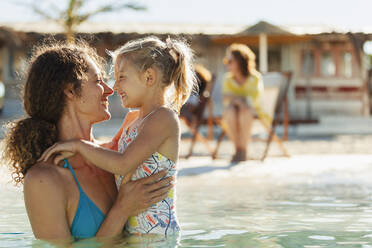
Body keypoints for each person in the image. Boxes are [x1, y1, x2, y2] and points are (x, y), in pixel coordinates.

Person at [3, 41, 172, 242]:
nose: (110, 90)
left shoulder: (119, 154)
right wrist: (122, 209)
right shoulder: (44, 179)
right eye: (99, 81)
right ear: (70, 91)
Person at [39, 36, 197, 236]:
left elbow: (123, 163)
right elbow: (112, 148)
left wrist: (79, 146)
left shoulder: (163, 118)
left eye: (121, 77)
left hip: (158, 235)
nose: (115, 87)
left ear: (149, 77)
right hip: (134, 234)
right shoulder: (133, 120)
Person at [221, 43, 266, 162]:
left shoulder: (255, 78)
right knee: (230, 111)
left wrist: (236, 99)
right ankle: (238, 150)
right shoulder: (228, 79)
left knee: (245, 111)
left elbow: (254, 100)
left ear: (240, 61)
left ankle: (243, 150)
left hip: (252, 112)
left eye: (230, 60)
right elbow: (226, 99)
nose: (227, 63)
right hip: (234, 111)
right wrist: (240, 100)